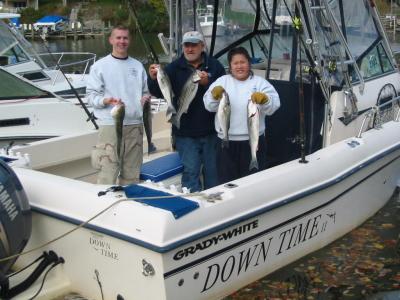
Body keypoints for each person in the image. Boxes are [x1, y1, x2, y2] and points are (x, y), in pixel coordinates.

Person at [148, 31, 225, 192]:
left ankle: (215, 206)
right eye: (187, 45)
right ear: (183, 47)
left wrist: (207, 82)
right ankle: (194, 207)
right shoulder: (173, 68)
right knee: (190, 173)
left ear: (202, 46)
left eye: (194, 45)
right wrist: (154, 78)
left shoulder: (215, 66)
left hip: (211, 132)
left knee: (213, 173)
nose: (190, 49)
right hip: (185, 133)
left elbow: (224, 92)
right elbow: (159, 92)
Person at [204, 47, 280, 183]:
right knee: (226, 183)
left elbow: (274, 107)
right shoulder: (222, 81)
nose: (239, 66)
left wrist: (266, 100)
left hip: (253, 142)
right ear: (230, 66)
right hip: (225, 142)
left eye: (243, 62)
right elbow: (208, 106)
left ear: (249, 63)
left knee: (253, 183)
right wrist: (213, 96)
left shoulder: (260, 82)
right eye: (235, 63)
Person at [87, 25, 150, 185]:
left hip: (135, 126)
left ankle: (129, 204)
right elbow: (91, 97)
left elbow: (145, 91)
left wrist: (145, 98)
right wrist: (105, 100)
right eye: (118, 37)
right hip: (110, 125)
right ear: (111, 40)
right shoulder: (99, 66)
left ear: (130, 40)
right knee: (107, 172)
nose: (122, 41)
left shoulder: (137, 66)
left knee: (132, 173)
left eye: (125, 38)